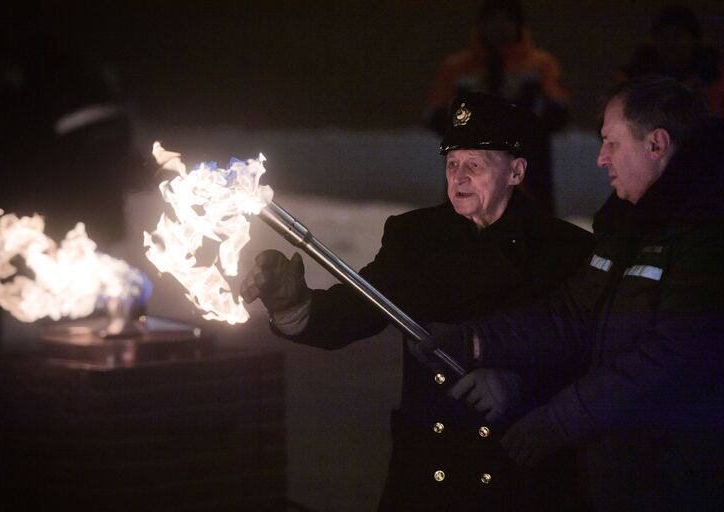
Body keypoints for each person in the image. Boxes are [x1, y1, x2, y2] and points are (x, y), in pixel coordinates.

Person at [241, 93, 593, 510]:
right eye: (452, 164)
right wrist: (293, 304)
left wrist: (518, 385)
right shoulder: (417, 238)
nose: (459, 178)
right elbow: (357, 310)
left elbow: (587, 354)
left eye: (475, 165)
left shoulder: (565, 250)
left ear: (515, 172)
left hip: (517, 472)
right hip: (431, 469)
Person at [418, 76, 724, 510]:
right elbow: (569, 316)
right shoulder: (627, 227)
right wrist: (474, 340)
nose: (601, 159)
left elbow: (668, 360)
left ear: (656, 144)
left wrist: (557, 421)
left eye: (611, 143)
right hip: (621, 477)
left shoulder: (707, 233)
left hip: (682, 479)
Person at [423, 0, 569, 214]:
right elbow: (434, 113)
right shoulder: (458, 68)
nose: (499, 27)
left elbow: (559, 112)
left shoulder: (539, 66)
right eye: (492, 20)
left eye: (506, 20)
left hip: (528, 171)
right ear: (481, 25)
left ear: (518, 24)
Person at [620, 4, 724, 119]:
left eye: (677, 36)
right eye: (664, 37)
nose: (670, 44)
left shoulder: (712, 77)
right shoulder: (635, 77)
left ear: (694, 40)